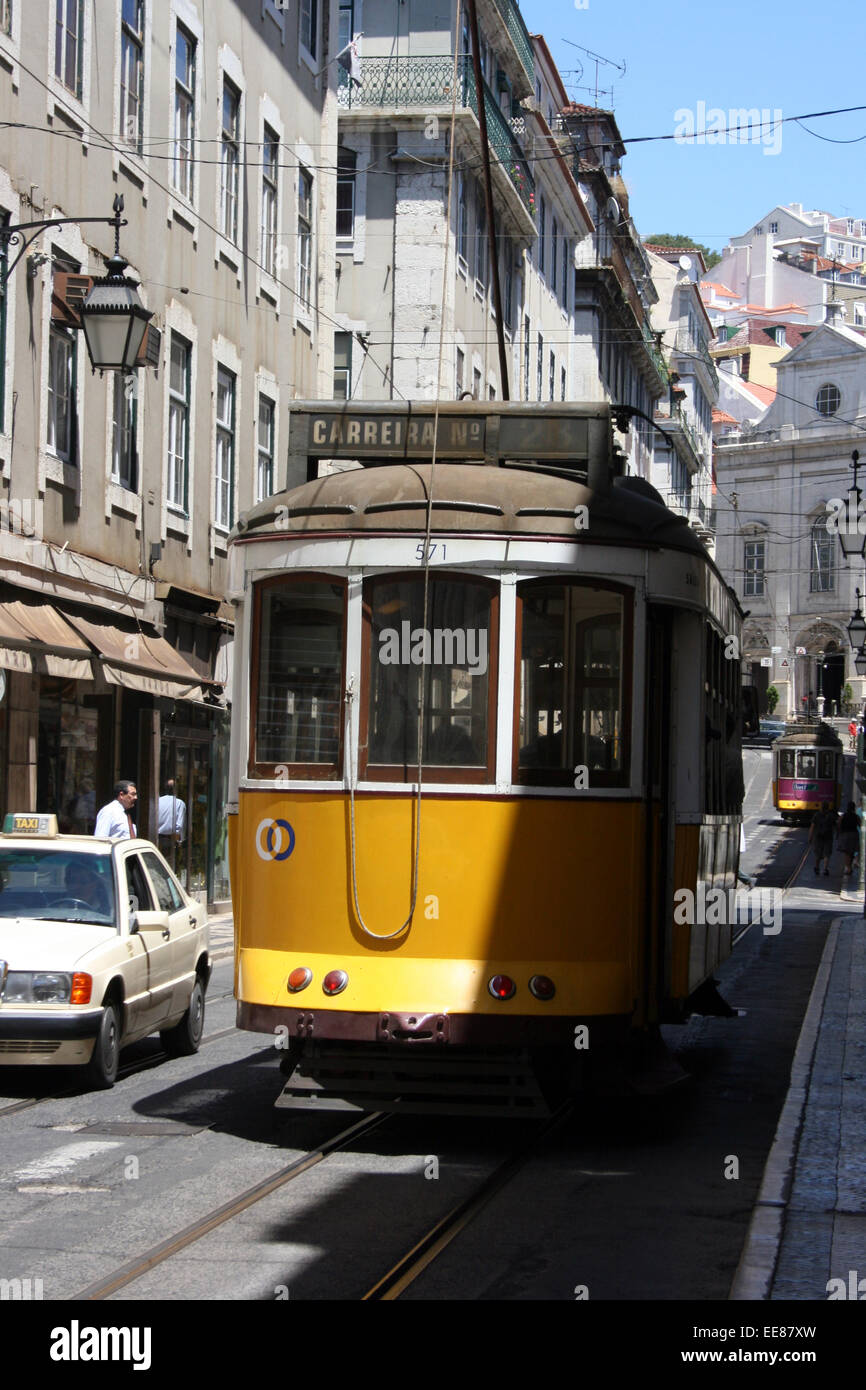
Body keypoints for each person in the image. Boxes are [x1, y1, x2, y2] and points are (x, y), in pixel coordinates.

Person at [157, 779, 186, 857]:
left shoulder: (157, 801)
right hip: (171, 841)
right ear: (176, 789)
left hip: (157, 839)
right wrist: (180, 841)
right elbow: (179, 826)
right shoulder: (179, 803)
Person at [809, 801, 837, 877]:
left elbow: (812, 827)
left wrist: (810, 837)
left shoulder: (817, 815)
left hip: (818, 837)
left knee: (818, 853)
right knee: (827, 854)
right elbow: (835, 826)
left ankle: (817, 867)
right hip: (828, 837)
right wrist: (836, 835)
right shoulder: (831, 816)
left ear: (821, 807)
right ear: (828, 807)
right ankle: (825, 869)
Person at [837, 802, 860, 878]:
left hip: (846, 835)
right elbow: (860, 824)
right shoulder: (856, 816)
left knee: (847, 852)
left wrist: (840, 833)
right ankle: (849, 867)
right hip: (854, 835)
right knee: (852, 851)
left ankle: (848, 868)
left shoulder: (843, 816)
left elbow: (839, 824)